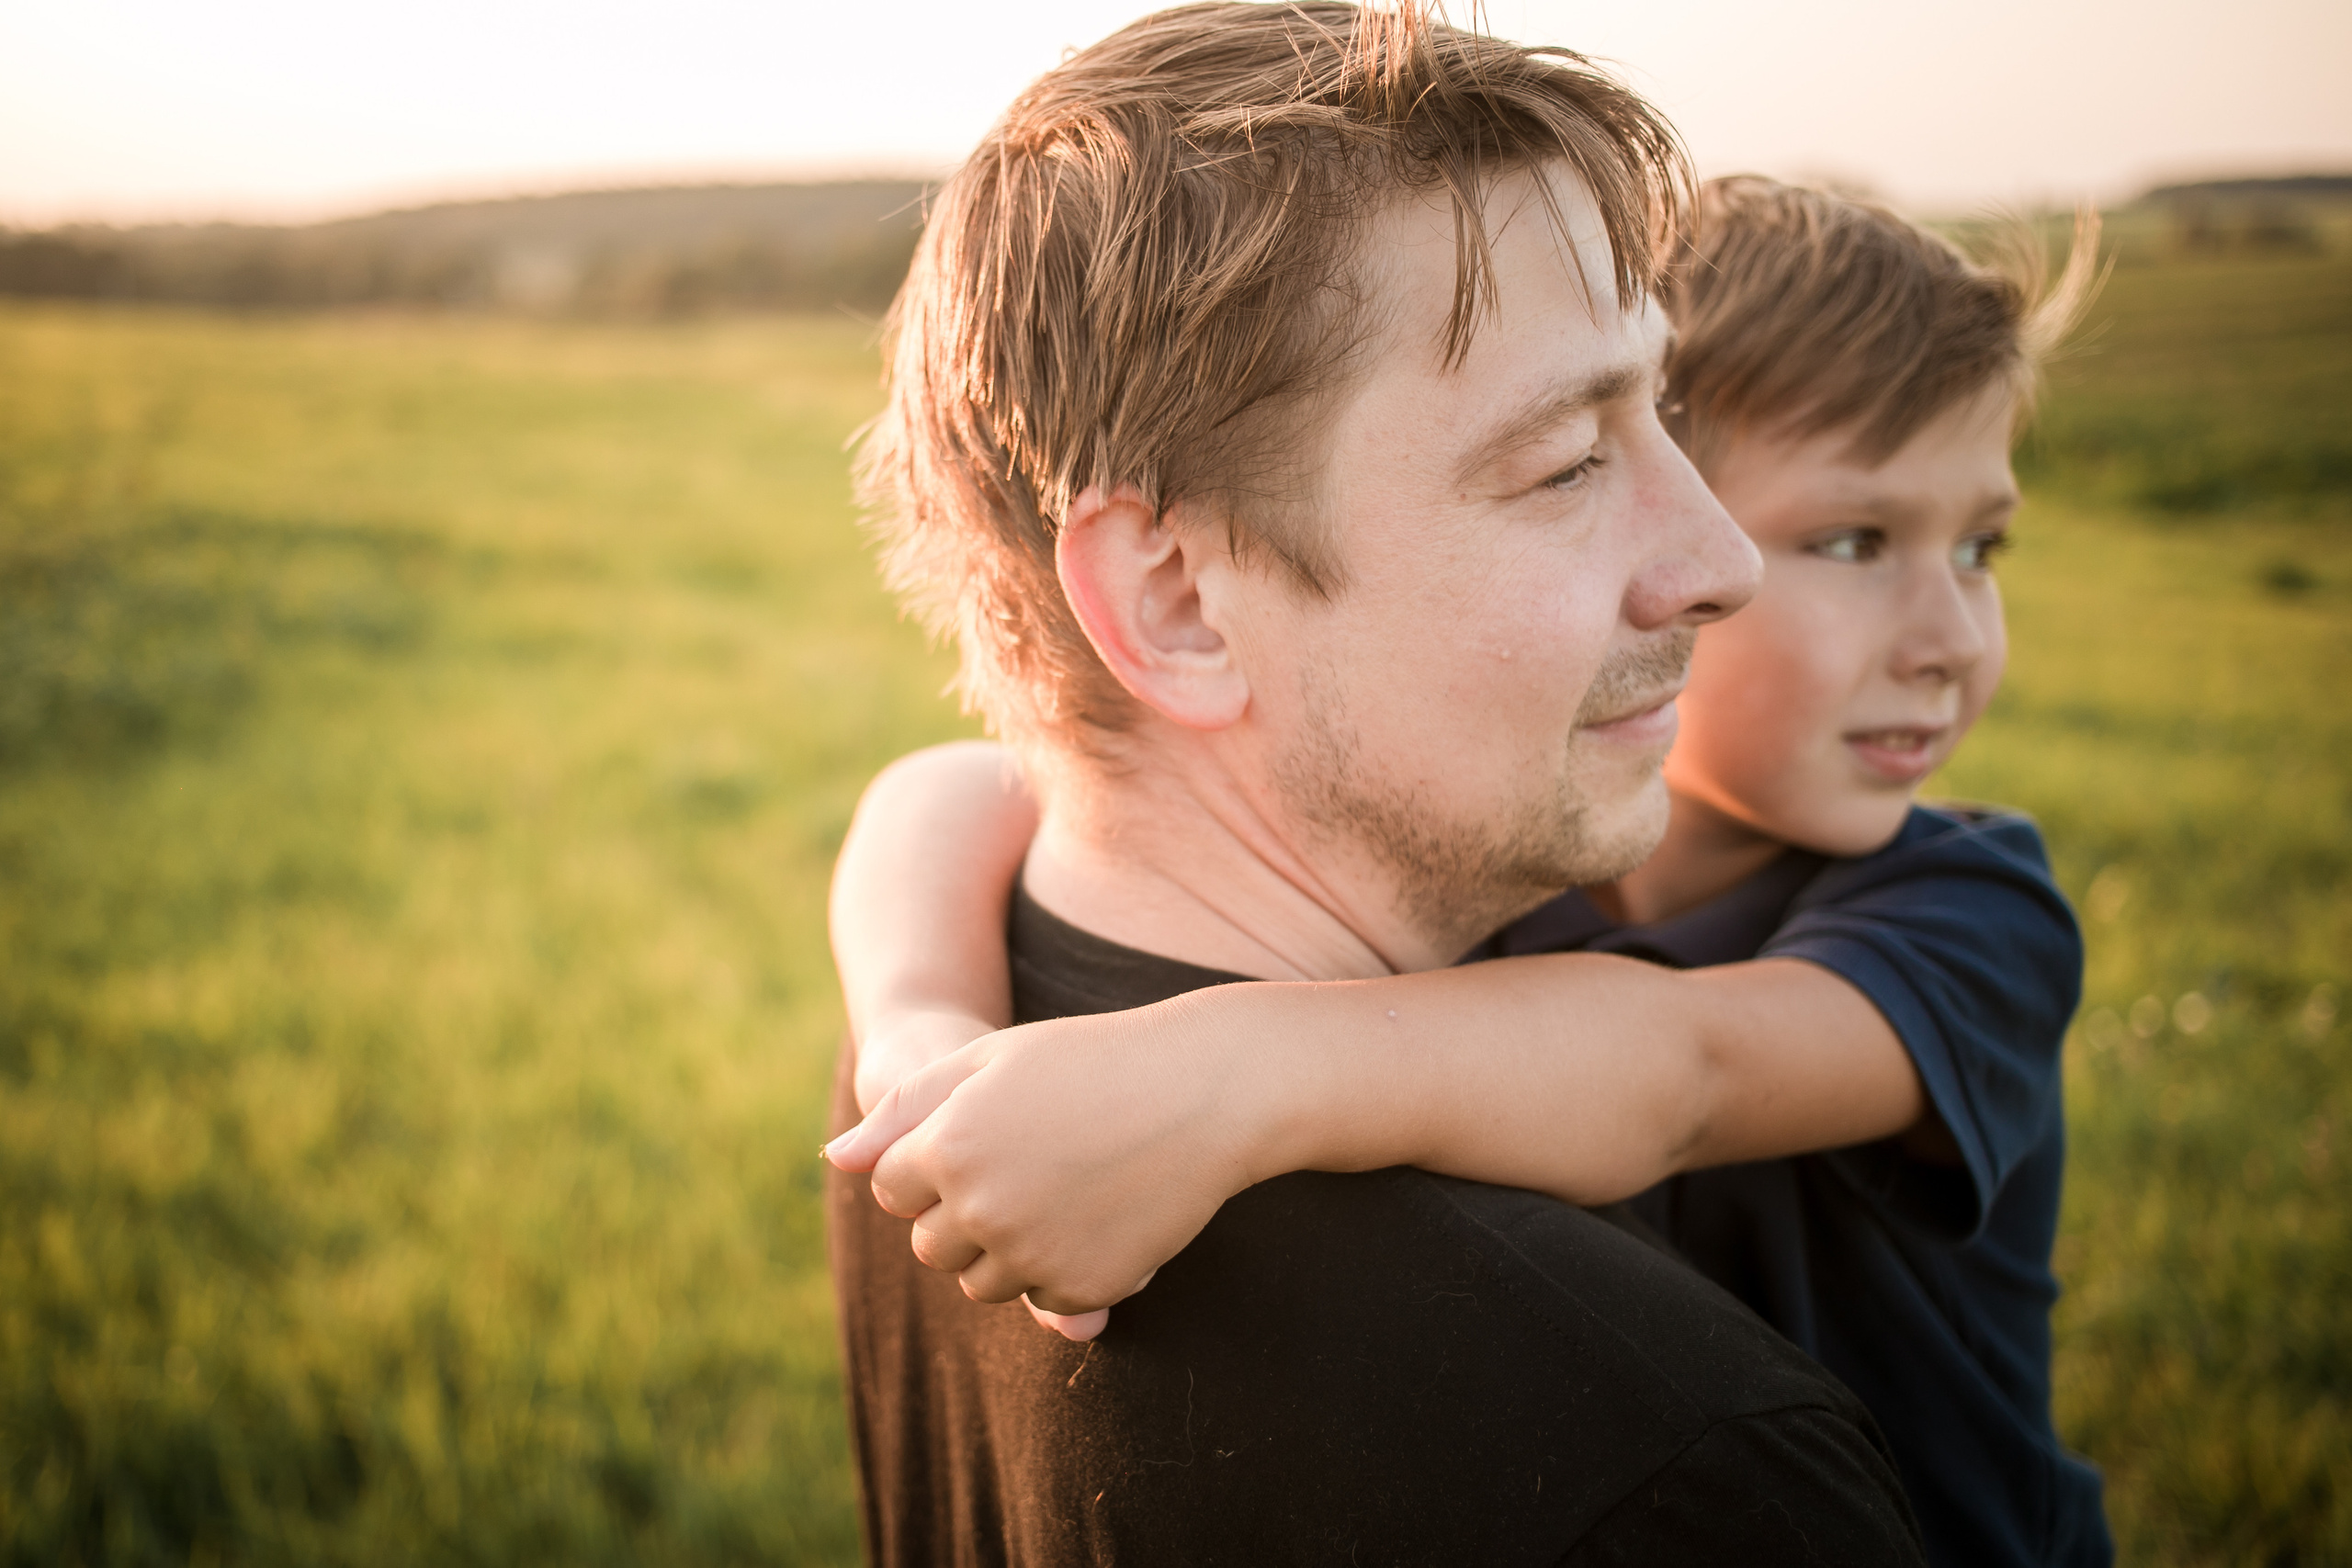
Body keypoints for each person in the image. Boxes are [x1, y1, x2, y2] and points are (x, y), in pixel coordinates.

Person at [827, 177, 2111, 1565]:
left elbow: (1683, 1074)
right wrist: (915, 1031)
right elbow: (953, 782)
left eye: (1982, 548)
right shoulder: (1517, 839)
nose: (1951, 635)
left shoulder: (1971, 915)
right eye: (1854, 543)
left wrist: (1226, 1074)